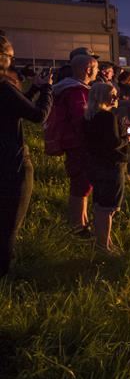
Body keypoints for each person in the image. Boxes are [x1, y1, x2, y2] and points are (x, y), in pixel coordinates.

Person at [0, 35, 53, 277]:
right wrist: (46, 90)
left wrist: (33, 89)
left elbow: (16, 108)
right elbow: (38, 115)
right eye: (10, 57)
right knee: (8, 224)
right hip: (11, 162)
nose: (13, 63)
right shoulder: (3, 87)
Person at [48, 53, 98, 235]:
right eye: (96, 68)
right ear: (88, 69)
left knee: (83, 184)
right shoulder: (77, 92)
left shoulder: (69, 89)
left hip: (74, 143)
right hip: (78, 144)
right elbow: (81, 119)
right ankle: (77, 226)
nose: (97, 72)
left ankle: (82, 222)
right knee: (81, 184)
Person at [82, 82, 130, 251]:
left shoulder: (89, 116)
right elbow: (114, 143)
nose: (116, 98)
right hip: (111, 166)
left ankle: (104, 242)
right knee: (108, 208)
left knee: (99, 205)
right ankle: (104, 246)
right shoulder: (107, 117)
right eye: (112, 94)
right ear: (102, 97)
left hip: (95, 166)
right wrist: (128, 137)